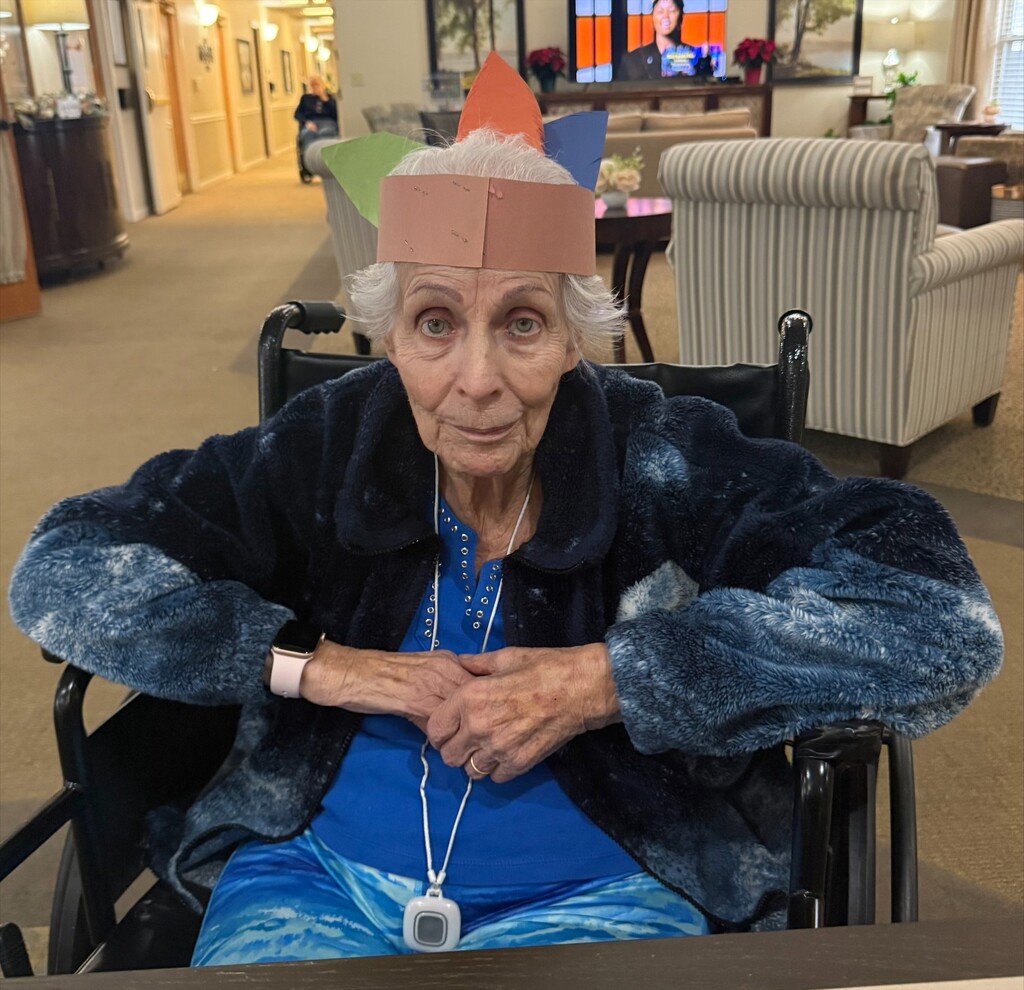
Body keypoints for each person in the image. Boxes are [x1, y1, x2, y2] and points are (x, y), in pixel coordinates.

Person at [7, 55, 1003, 967]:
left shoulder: (659, 454)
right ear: (390, 338)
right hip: (312, 879)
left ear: (574, 339)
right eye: (435, 322)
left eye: (521, 323)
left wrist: (612, 678)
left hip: (608, 886)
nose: (477, 380)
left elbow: (936, 615)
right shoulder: (326, 444)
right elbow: (65, 564)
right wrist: (317, 665)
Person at [617, 0, 697, 81]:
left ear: (681, 17)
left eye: (671, 11)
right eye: (660, 12)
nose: (665, 16)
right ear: (652, 17)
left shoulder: (695, 57)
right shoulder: (633, 61)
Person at [294, 74, 338, 151]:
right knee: (307, 133)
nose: (316, 88)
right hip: (311, 123)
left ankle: (323, 156)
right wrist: (307, 122)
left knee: (325, 132)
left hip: (328, 123)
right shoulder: (306, 98)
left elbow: (336, 113)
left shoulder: (330, 97)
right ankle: (310, 156)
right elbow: (297, 114)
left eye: (318, 85)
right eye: (313, 86)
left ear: (323, 86)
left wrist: (325, 99)